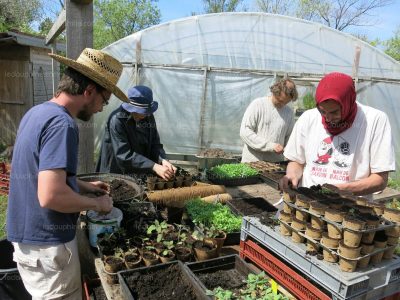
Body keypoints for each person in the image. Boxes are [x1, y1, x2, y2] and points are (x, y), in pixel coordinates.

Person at [7, 48, 128, 299]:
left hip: (30, 243)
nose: (101, 108)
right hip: (49, 247)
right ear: (89, 91)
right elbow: (51, 196)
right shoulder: (63, 124)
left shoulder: (37, 112)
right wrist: (98, 203)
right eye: (104, 100)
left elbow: (37, 174)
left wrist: (82, 185)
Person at [280, 72, 395, 197]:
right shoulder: (308, 118)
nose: (328, 118)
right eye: (322, 111)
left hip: (352, 208)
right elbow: (297, 161)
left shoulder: (374, 120)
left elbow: (380, 179)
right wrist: (292, 175)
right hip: (309, 201)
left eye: (334, 112)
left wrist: (342, 190)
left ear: (347, 103)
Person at [96, 85, 176, 180]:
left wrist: (162, 159)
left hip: (140, 170)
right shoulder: (117, 120)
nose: (144, 115)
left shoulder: (148, 116)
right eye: (141, 111)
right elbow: (123, 155)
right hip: (116, 172)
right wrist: (154, 166)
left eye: (146, 111)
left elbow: (155, 143)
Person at [240, 77, 298, 162]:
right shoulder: (258, 105)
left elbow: (290, 138)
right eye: (280, 100)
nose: (282, 104)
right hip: (251, 162)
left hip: (275, 166)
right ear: (274, 92)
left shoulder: (289, 113)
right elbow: (245, 132)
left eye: (286, 102)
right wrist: (270, 146)